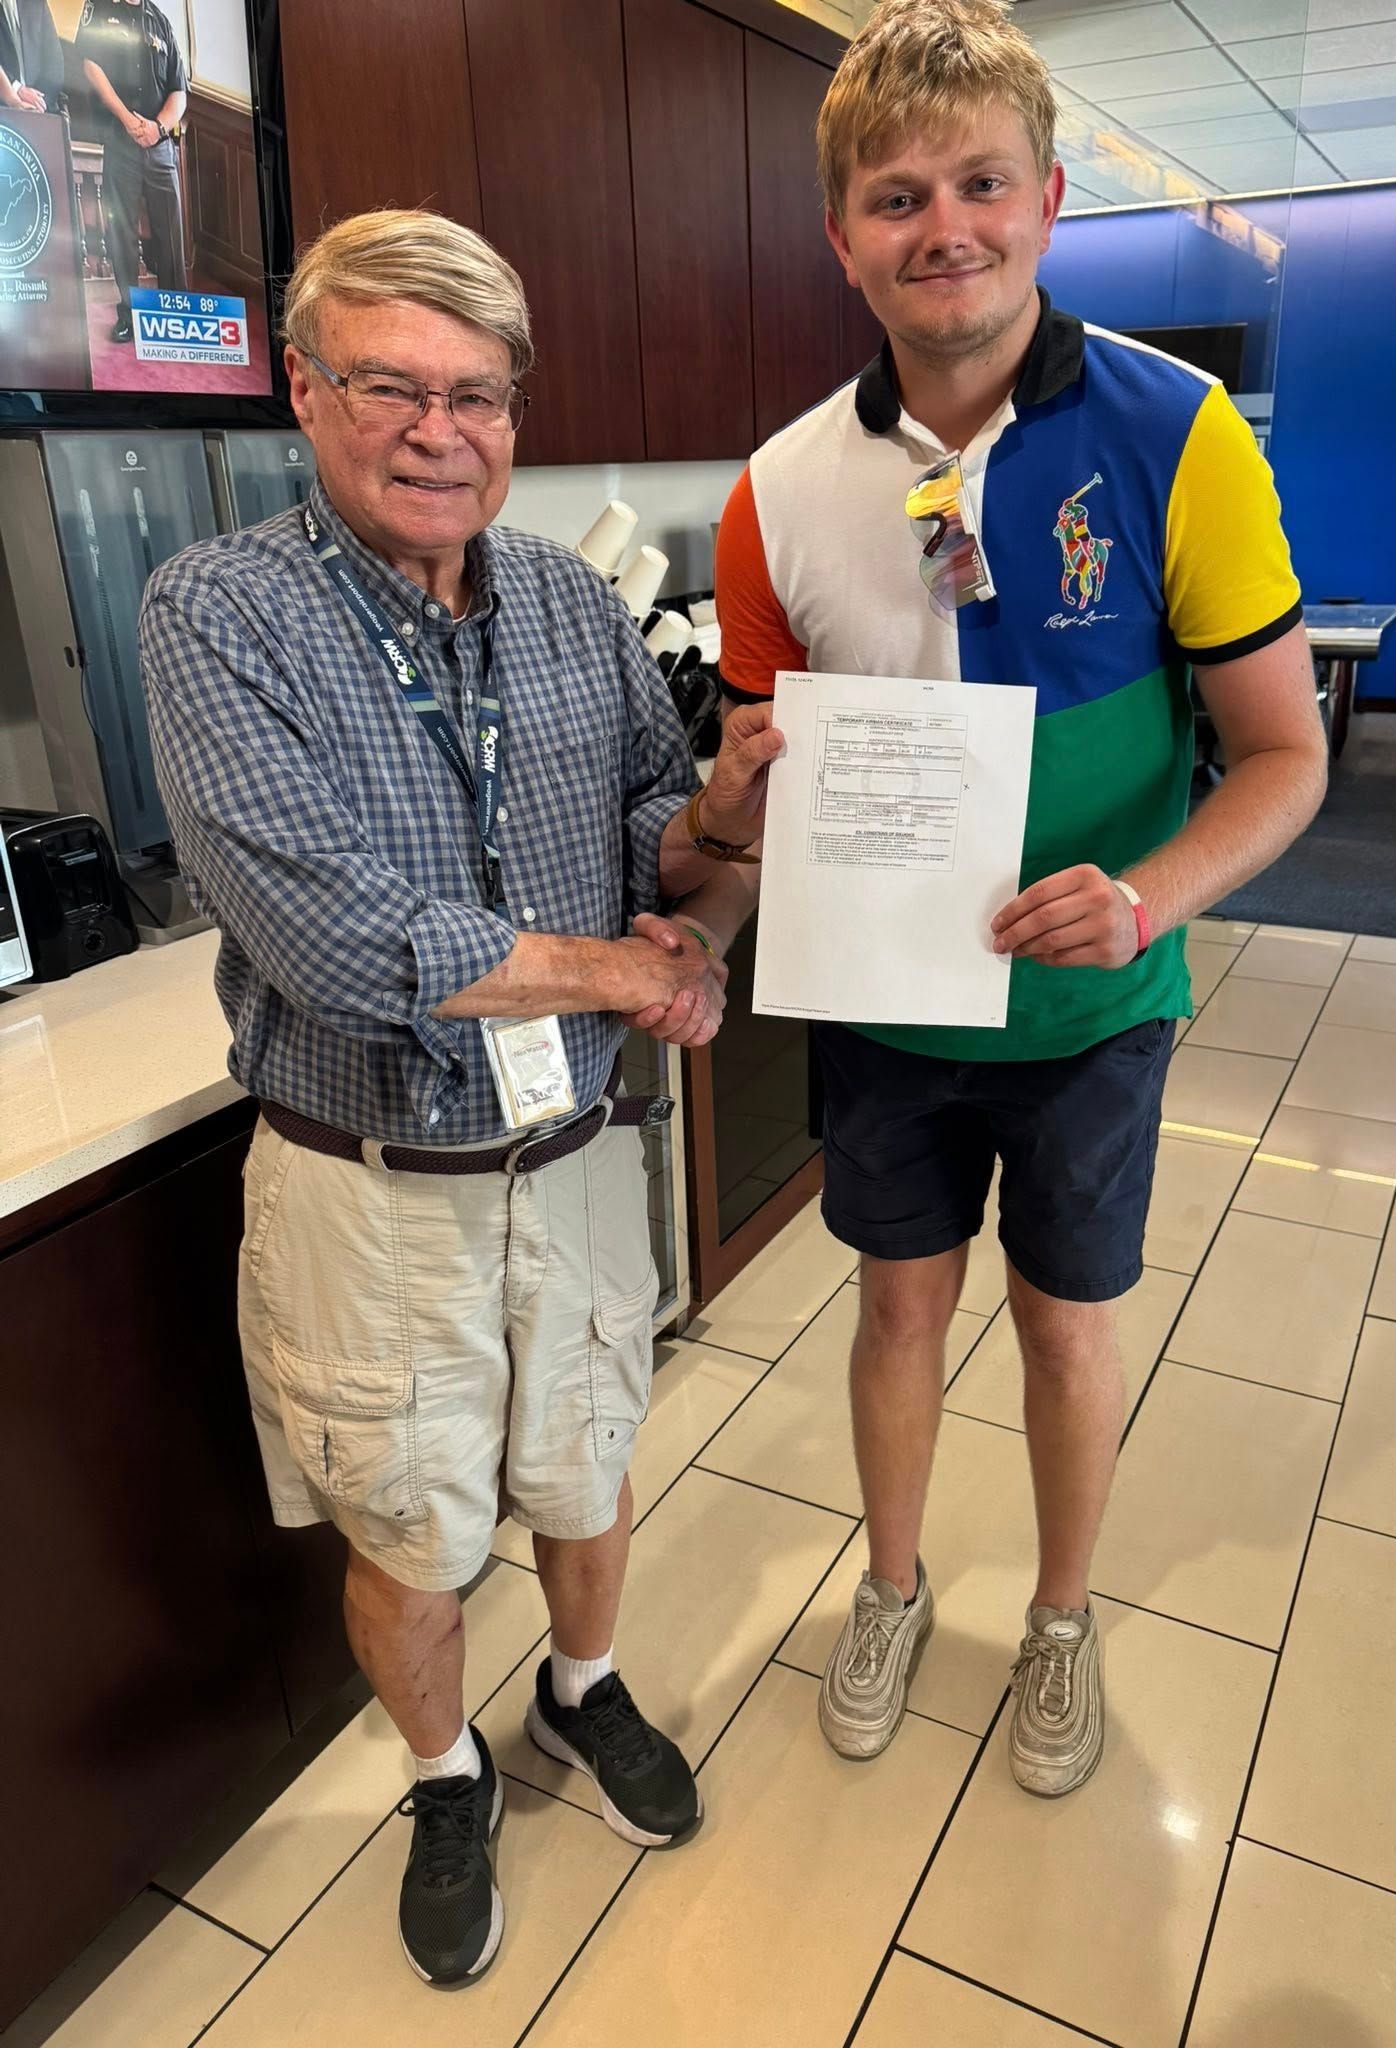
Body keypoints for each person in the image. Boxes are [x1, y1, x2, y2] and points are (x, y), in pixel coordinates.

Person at [141, 208, 769, 1988]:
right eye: (388, 388)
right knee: (409, 1523)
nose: (438, 432)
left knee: (587, 1456)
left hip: (571, 1148)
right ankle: (443, 1773)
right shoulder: (219, 613)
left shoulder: (568, 597)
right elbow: (338, 935)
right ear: (302, 390)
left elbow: (650, 828)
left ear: (513, 410)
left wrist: (713, 833)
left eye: (476, 395)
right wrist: (628, 974)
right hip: (369, 1182)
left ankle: (580, 1687)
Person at [715, 0, 1326, 1797]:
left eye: (981, 184)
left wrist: (1143, 899)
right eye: (897, 197)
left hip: (1090, 1009)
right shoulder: (777, 492)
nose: (946, 229)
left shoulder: (1179, 431)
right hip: (888, 1006)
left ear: (1049, 201)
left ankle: (1061, 1617)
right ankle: (892, 1587)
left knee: (1065, 1320)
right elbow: (759, 781)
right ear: (841, 236)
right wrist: (735, 806)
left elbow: (1284, 755)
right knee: (896, 1310)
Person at [79, 0, 187, 341]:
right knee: (121, 233)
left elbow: (179, 91)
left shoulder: (161, 21)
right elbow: (91, 65)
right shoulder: (99, 9)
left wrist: (158, 127)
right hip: (120, 140)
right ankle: (129, 314)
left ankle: (175, 314)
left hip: (160, 146)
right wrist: (128, 120)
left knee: (171, 236)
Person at [0, 0, 64, 113]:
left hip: (42, 109)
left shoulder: (36, 3)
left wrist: (39, 103)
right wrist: (16, 90)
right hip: (4, 108)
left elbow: (55, 64)